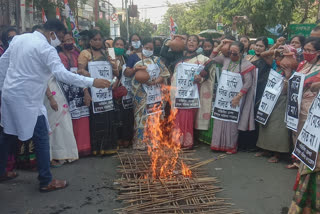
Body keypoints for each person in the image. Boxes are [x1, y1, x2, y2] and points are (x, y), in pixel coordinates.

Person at [0, 19, 110, 192]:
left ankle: (1, 172)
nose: (59, 41)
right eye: (59, 37)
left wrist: (2, 88)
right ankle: (45, 180)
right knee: (41, 136)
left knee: (7, 134)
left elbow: (3, 63)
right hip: (27, 99)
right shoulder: (46, 48)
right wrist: (92, 81)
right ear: (52, 33)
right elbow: (63, 75)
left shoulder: (20, 39)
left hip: (10, 94)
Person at [288, 37, 320, 214]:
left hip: (314, 110)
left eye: (310, 50)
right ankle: (300, 164)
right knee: (299, 136)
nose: (306, 52)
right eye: (305, 49)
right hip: (299, 106)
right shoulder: (302, 65)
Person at [78, 29, 119, 155]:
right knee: (97, 121)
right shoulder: (85, 54)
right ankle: (97, 149)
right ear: (89, 41)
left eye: (99, 39)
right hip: (93, 92)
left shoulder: (108, 53)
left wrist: (115, 81)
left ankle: (109, 147)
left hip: (107, 92)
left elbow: (116, 72)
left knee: (109, 119)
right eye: (94, 39)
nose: (97, 42)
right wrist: (86, 91)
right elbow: (80, 73)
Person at [210, 41, 256, 154]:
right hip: (222, 98)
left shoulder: (245, 65)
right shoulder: (225, 60)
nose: (231, 55)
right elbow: (211, 58)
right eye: (230, 52)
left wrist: (238, 96)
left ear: (241, 52)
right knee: (220, 119)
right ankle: (217, 144)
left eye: (234, 53)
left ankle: (231, 146)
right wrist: (220, 45)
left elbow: (248, 82)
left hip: (236, 98)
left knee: (232, 122)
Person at [170, 35, 215, 149]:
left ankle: (187, 142)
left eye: (194, 41)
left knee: (188, 117)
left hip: (192, 94)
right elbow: (165, 53)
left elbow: (207, 75)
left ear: (198, 44)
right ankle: (177, 141)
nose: (191, 42)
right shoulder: (179, 56)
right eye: (189, 40)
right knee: (178, 116)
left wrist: (200, 78)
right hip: (178, 93)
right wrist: (177, 37)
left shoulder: (203, 59)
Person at [256, 44, 296, 163]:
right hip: (269, 98)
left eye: (283, 56)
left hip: (282, 100)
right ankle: (265, 149)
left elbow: (286, 90)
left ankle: (277, 153)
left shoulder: (293, 70)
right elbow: (263, 54)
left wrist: (287, 76)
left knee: (278, 127)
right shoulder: (274, 65)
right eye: (279, 56)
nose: (279, 58)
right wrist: (277, 49)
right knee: (265, 123)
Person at [131, 38, 170, 150]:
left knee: (154, 117)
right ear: (142, 47)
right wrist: (144, 80)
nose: (148, 50)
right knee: (140, 118)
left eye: (151, 49)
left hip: (155, 93)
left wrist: (156, 81)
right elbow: (131, 76)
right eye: (146, 48)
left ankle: (153, 141)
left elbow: (166, 73)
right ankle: (140, 142)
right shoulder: (136, 60)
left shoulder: (157, 60)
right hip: (141, 94)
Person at [58, 32, 91, 157]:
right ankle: (74, 149)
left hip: (81, 88)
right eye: (66, 40)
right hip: (70, 91)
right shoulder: (60, 55)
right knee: (73, 120)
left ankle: (84, 147)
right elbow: (65, 73)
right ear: (61, 43)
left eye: (70, 39)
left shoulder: (77, 53)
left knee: (83, 119)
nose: (69, 42)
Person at [113, 37, 134, 148]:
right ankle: (118, 139)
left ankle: (127, 138)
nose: (119, 47)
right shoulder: (109, 58)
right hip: (113, 90)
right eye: (117, 44)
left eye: (121, 45)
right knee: (117, 117)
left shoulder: (126, 58)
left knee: (127, 116)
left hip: (126, 92)